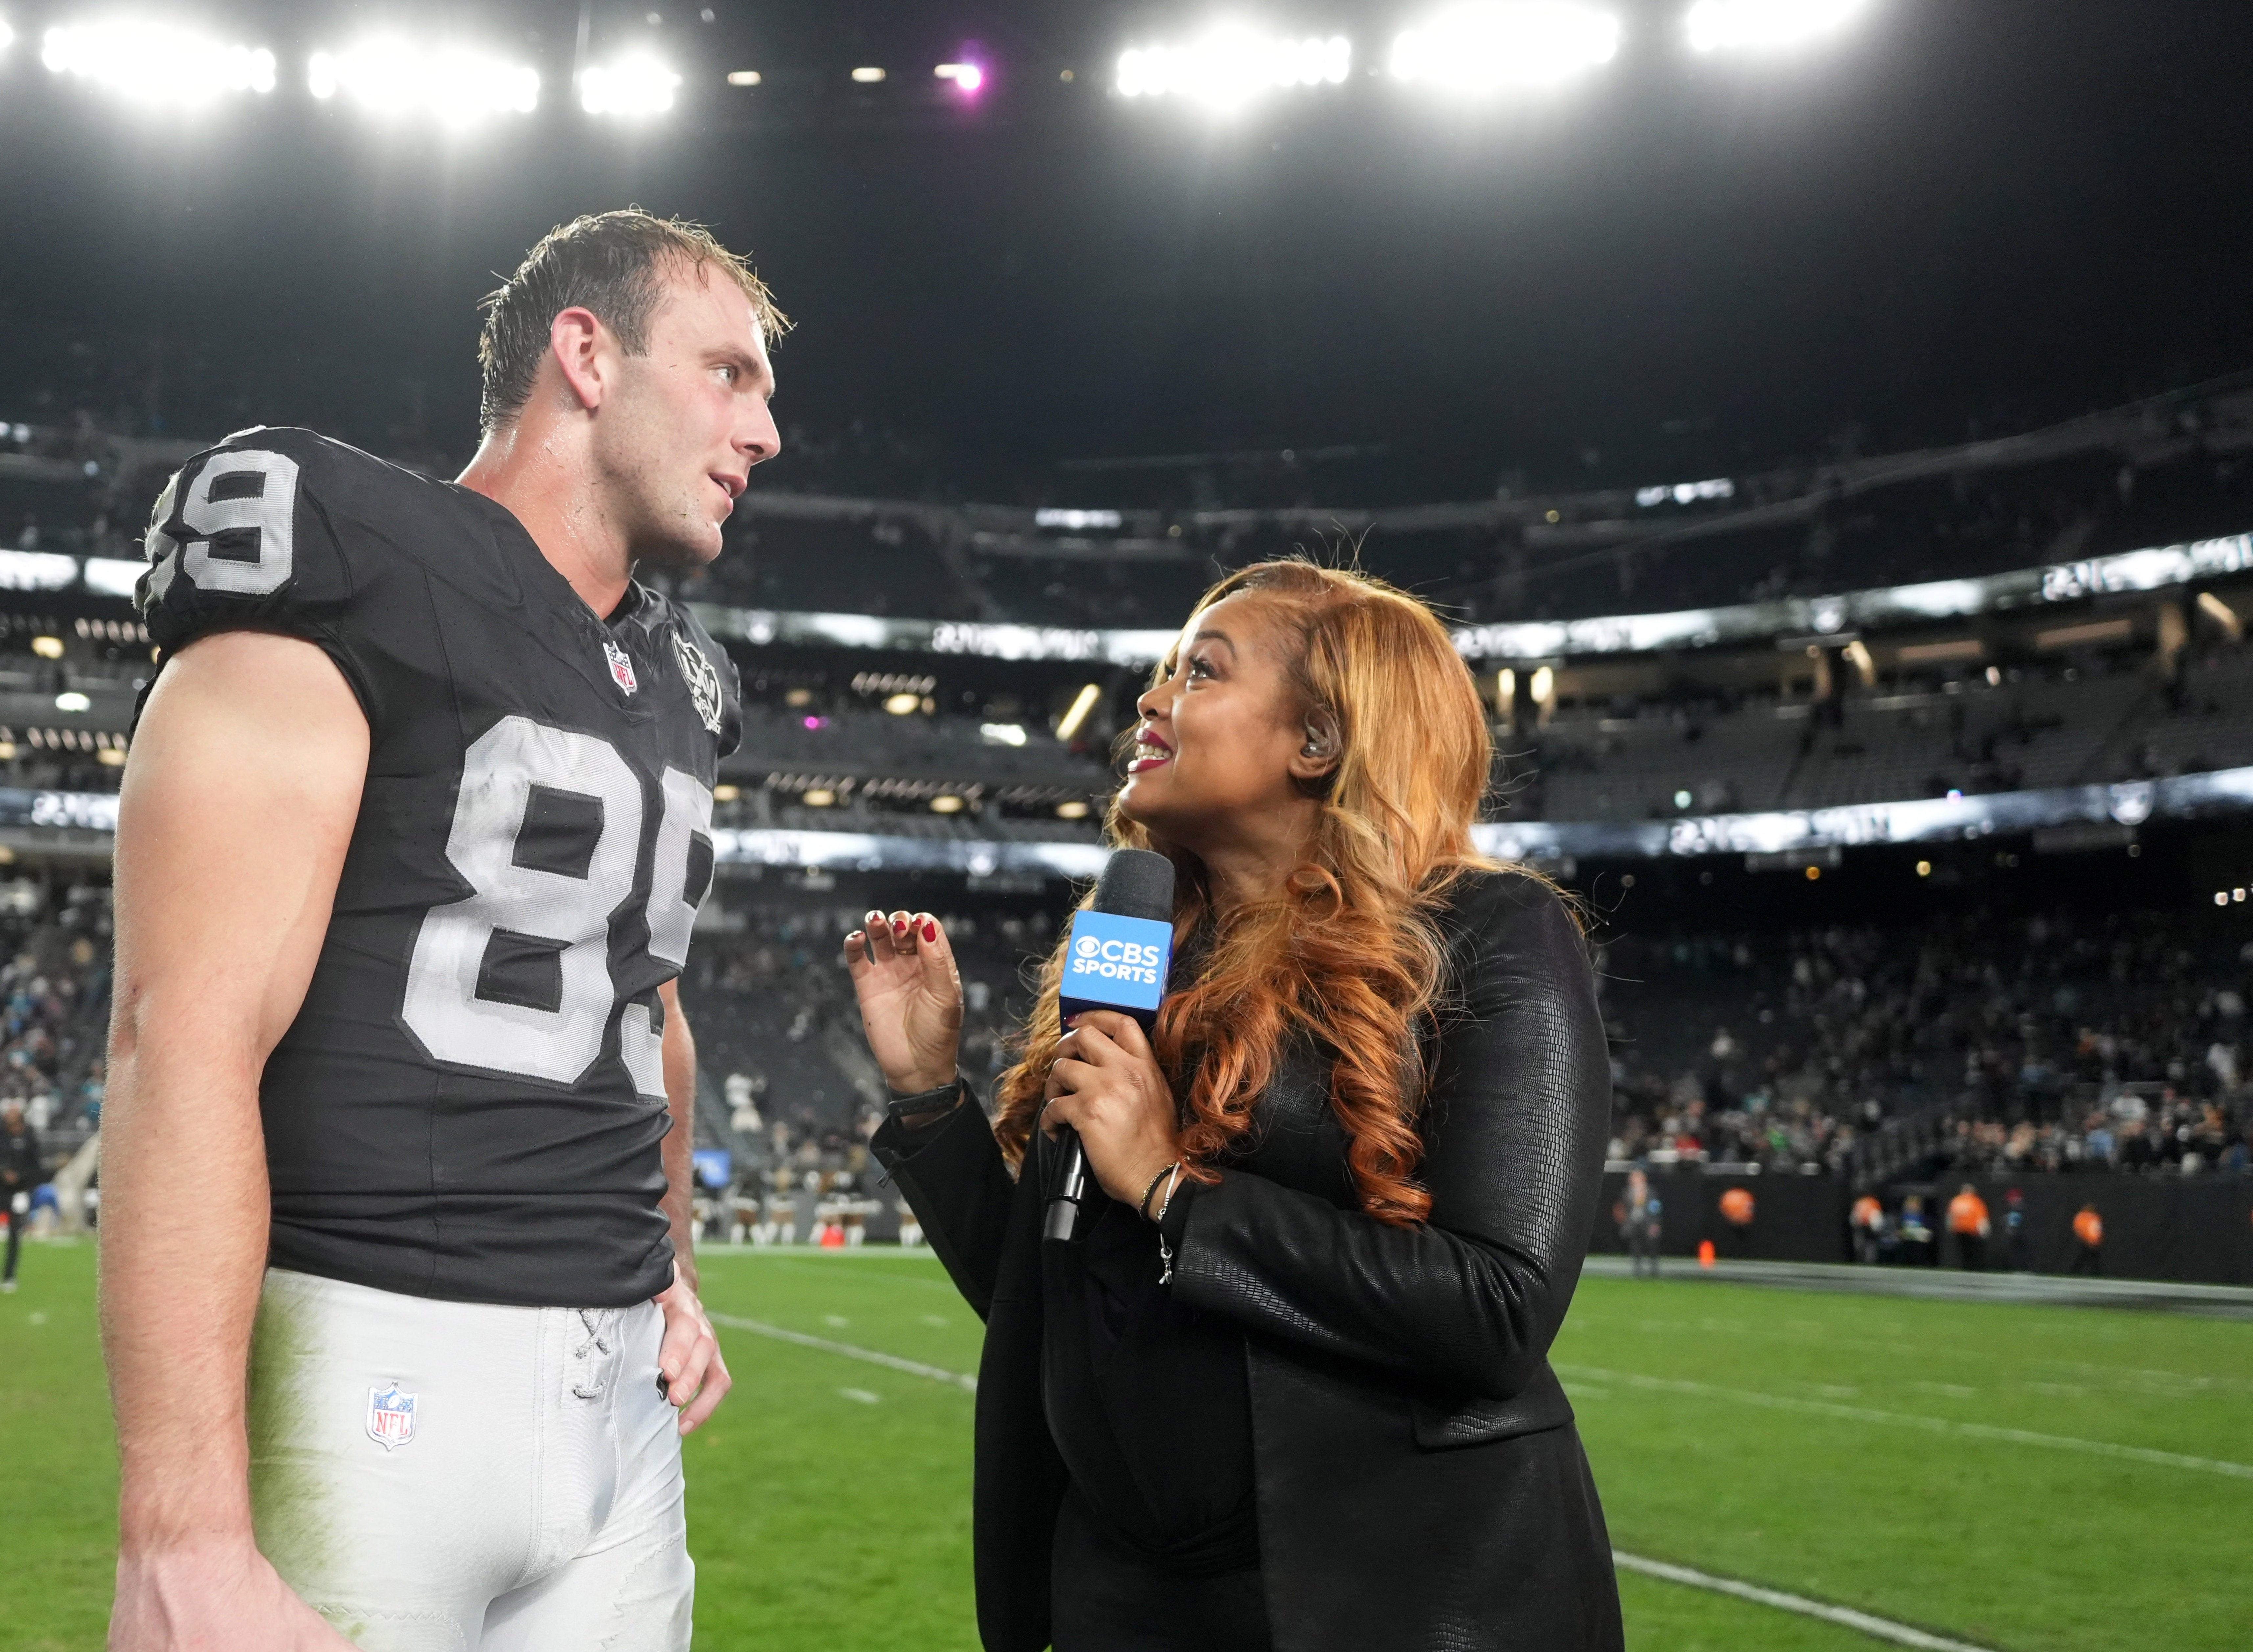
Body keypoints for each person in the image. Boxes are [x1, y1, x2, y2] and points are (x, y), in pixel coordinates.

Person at [99, 212, 784, 1652]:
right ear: (585, 355)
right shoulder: (344, 550)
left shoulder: (681, 681)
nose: (763, 428)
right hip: (368, 1357)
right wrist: (181, 1526)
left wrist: (672, 1263)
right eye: (728, 373)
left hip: (619, 1417)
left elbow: (640, 1007)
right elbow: (184, 1023)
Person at [848, 562, 1623, 1651]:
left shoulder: (1489, 935)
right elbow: (1062, 1301)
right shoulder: (1136, 959)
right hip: (1128, 1601)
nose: (1151, 701)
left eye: (1200, 672)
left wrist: (1173, 1184)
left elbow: (1496, 1308)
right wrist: (931, 1096)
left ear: (1317, 742)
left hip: (1391, 1593)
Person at [0, 1101, 42, 1293]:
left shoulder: (29, 1137)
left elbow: (36, 1166)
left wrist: (20, 1178)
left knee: (15, 1233)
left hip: (18, 1192)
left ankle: (10, 1276)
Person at [1626, 1167, 1663, 1277]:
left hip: (1648, 1223)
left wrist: (1655, 1224)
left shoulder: (1650, 1191)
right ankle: (1638, 1270)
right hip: (1634, 1222)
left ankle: (1653, 1270)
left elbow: (1655, 1208)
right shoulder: (1628, 1192)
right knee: (1636, 1246)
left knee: (1652, 1246)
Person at [1946, 1183, 1991, 1271]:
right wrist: (1984, 1232)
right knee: (1972, 1253)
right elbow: (1981, 1219)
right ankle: (1972, 1269)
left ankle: (1964, 1268)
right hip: (1972, 1231)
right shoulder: (1976, 1201)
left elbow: (1950, 1216)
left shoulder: (1956, 1201)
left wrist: (1950, 1228)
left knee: (1962, 1252)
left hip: (1959, 1230)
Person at [2071, 1202, 2105, 1275]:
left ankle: (2095, 1273)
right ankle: (2075, 1272)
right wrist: (2086, 1239)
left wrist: (2096, 1240)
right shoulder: (2083, 1217)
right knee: (2086, 1258)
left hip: (2093, 1242)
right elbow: (2081, 1229)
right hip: (2086, 1241)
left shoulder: (2094, 1217)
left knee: (2090, 1258)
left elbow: (2097, 1230)